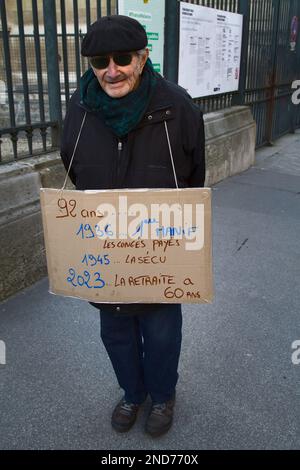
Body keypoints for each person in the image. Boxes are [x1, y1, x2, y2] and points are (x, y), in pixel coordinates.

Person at [61, 15, 205, 438]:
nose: (111, 70)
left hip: (160, 249)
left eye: (122, 58)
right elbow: (70, 162)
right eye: (99, 61)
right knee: (116, 330)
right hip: (105, 250)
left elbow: (195, 175)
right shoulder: (80, 107)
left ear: (143, 58)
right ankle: (132, 392)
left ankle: (162, 395)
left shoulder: (177, 106)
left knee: (161, 330)